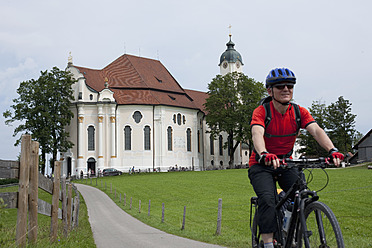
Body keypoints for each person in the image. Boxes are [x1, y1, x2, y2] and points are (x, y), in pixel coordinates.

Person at [248, 68, 344, 248]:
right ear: (270, 91)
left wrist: (332, 150)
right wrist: (264, 153)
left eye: (290, 86)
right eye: (280, 86)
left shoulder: (299, 112)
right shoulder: (262, 111)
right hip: (262, 164)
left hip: (286, 162)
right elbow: (257, 133)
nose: (286, 89)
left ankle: (292, 233)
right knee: (268, 199)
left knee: (303, 197)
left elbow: (315, 130)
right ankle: (268, 243)